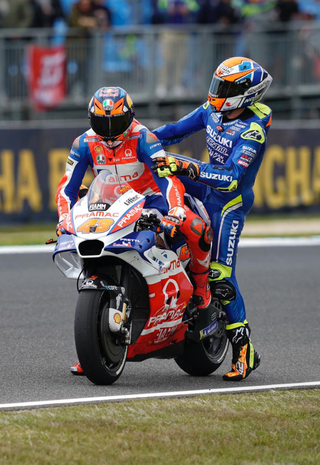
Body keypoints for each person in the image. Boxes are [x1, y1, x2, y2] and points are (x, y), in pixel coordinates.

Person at [57, 87, 213, 375]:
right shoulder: (83, 144)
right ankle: (93, 343)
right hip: (109, 203)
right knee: (91, 250)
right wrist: (64, 219)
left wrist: (175, 208)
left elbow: (166, 178)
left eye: (115, 123)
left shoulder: (143, 137)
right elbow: (66, 188)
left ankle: (202, 291)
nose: (109, 131)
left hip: (150, 199)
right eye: (101, 123)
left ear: (129, 117)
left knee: (196, 227)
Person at [151, 57, 273, 381]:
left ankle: (244, 350)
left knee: (220, 277)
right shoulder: (210, 110)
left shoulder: (253, 130)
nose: (217, 94)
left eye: (226, 88)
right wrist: (140, 144)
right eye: (217, 85)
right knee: (158, 164)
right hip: (206, 184)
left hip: (229, 203)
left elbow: (232, 177)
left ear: (245, 94)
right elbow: (174, 131)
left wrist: (189, 168)